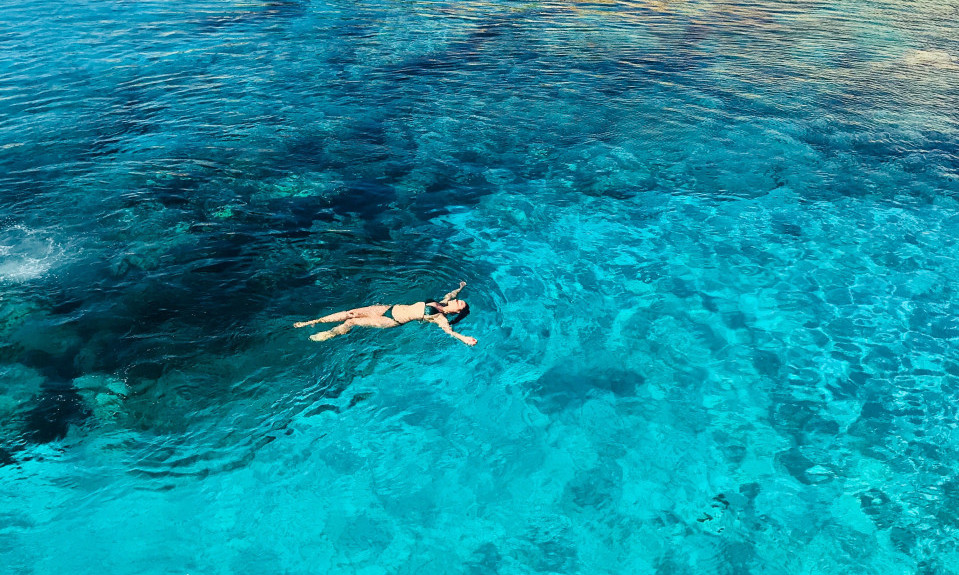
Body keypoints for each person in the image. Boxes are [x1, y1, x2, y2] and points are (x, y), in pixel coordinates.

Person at [294, 281, 476, 346]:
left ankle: (326, 335)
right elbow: (452, 294)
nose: (457, 300)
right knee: (350, 313)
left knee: (353, 323)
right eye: (459, 300)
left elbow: (449, 332)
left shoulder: (439, 317)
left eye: (460, 303)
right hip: (389, 308)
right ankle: (314, 321)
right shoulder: (443, 302)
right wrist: (460, 288)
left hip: (392, 320)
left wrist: (465, 338)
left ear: (456, 311)